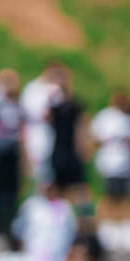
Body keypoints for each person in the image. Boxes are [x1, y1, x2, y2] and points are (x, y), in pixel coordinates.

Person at [90, 89, 130, 248]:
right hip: (109, 164)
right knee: (109, 196)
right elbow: (94, 139)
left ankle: (126, 227)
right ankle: (107, 226)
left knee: (126, 196)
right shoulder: (105, 117)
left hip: (127, 165)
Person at [47, 67, 89, 209]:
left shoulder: (75, 104)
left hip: (72, 151)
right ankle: (60, 219)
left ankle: (85, 223)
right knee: (58, 189)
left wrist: (82, 149)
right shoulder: (53, 106)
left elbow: (81, 126)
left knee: (80, 189)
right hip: (58, 150)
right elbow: (45, 119)